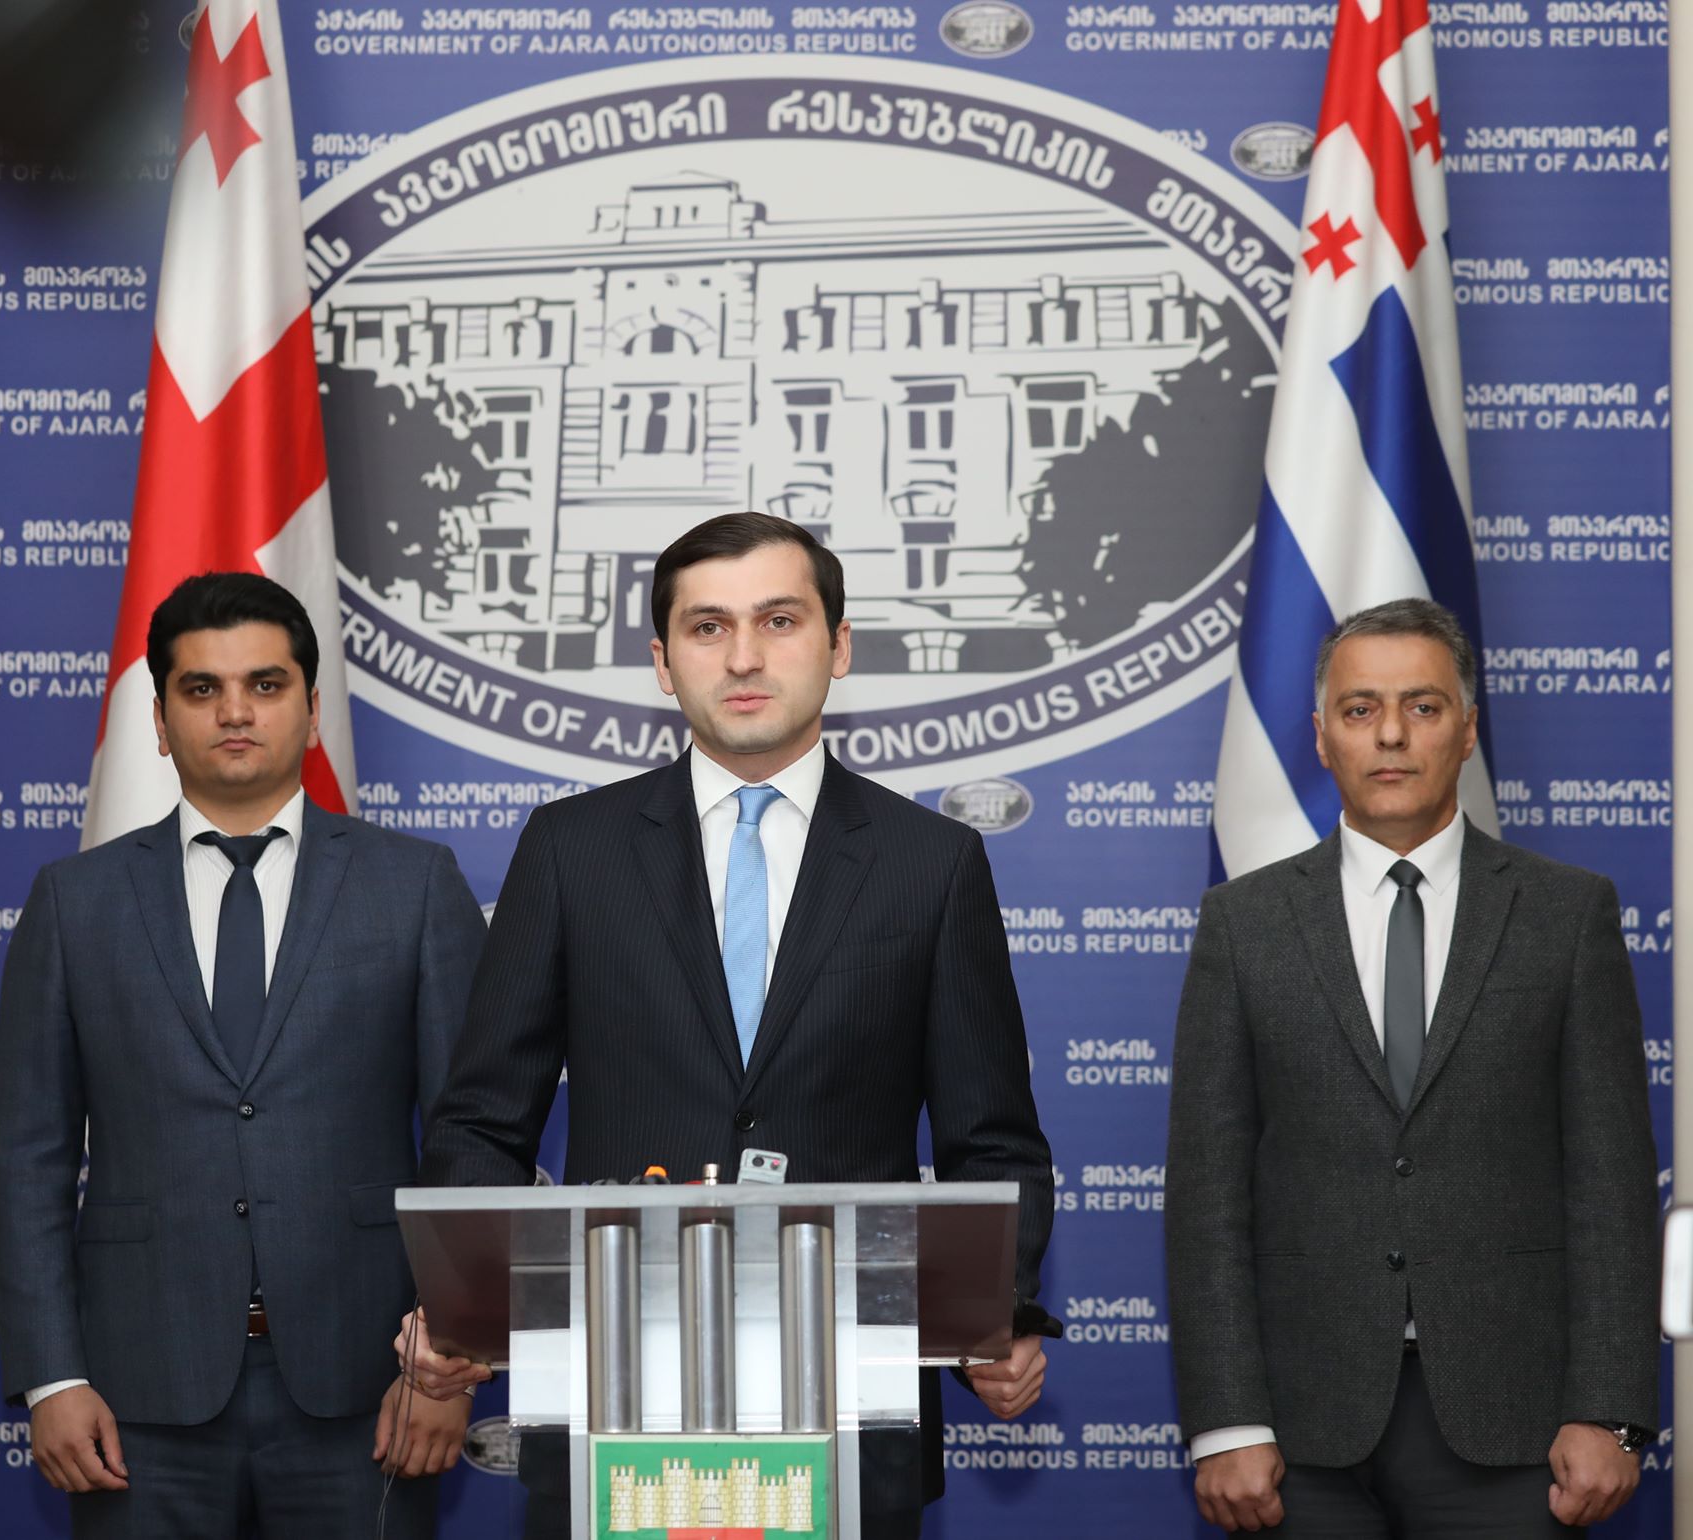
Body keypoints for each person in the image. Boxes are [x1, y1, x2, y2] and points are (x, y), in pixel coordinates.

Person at [402, 511, 1057, 1538]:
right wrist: (463, 1307)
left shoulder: (931, 864)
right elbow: (483, 1119)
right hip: (615, 1389)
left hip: (853, 1399)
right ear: (663, 663)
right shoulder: (572, 850)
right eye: (707, 628)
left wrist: (998, 1314)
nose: (744, 656)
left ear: (839, 645)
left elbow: (994, 1140)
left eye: (778, 620)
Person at [0, 572, 487, 1539]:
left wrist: (446, 1365)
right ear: (160, 720)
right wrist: (52, 1377)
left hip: (369, 1388)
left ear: (311, 708)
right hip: (136, 1395)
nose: (235, 712)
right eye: (201, 689)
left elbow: (469, 1141)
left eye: (265, 684)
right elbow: (26, 1159)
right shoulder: (74, 903)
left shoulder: (414, 886)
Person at [1166, 597, 1657, 1537]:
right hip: (1297, 1429)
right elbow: (1207, 1194)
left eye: (1422, 707)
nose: (1390, 734)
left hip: (1518, 1425)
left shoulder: (1567, 916)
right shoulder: (1243, 925)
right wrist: (1226, 1420)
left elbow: (1611, 1184)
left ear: (1467, 730)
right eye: (1360, 710)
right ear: (1321, 737)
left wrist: (1609, 1409)